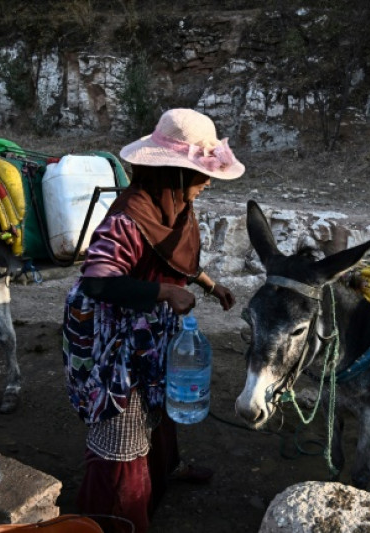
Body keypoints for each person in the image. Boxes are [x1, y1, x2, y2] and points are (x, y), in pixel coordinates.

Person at [60, 108, 244, 533]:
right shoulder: (127, 219)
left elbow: (166, 255)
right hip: (112, 339)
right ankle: (115, 517)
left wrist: (208, 284)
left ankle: (162, 473)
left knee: (156, 405)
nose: (208, 182)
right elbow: (97, 283)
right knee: (122, 424)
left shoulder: (172, 205)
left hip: (148, 328)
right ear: (174, 174)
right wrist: (164, 292)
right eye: (200, 175)